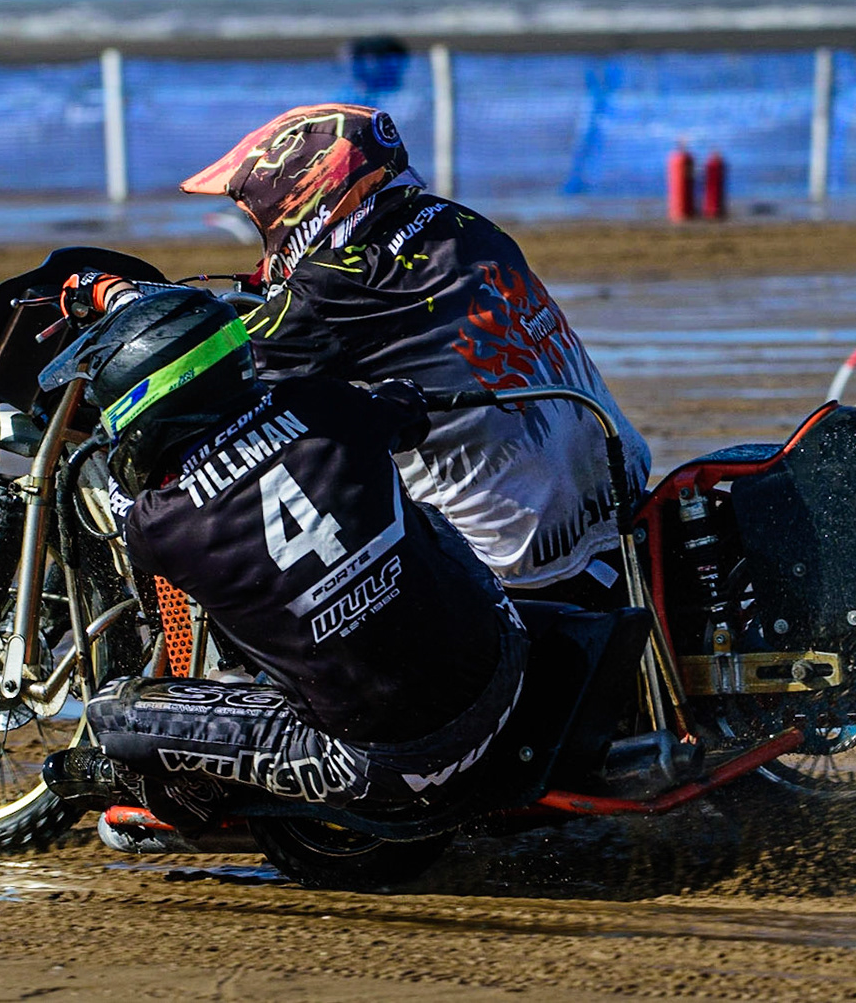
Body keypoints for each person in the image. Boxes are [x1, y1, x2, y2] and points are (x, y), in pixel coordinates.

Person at [69, 103, 650, 609]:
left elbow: (212, 358)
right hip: (610, 499)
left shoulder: (335, 285)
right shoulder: (458, 223)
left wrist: (121, 297)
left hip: (505, 554)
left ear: (300, 196)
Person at [37, 288, 527, 849]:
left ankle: (192, 804)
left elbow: (122, 505)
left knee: (112, 711)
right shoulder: (323, 403)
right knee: (421, 517)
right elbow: (405, 411)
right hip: (506, 663)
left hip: (395, 765)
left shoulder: (160, 525)